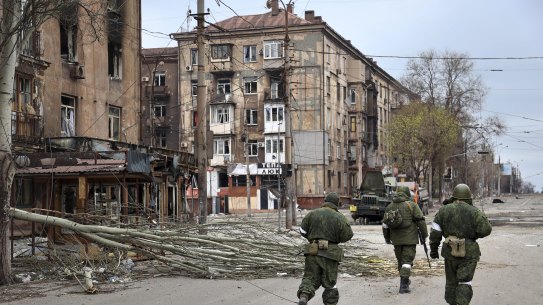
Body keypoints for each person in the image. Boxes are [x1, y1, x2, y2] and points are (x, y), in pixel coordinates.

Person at [429, 183, 492, 305]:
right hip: (469, 253)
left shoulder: (443, 211)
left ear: (454, 196)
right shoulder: (474, 212)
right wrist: (473, 236)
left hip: (450, 252)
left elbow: (435, 233)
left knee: (451, 282)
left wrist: (434, 250)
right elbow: (486, 229)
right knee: (465, 282)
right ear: (469, 197)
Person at [297, 192, 353, 305]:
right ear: (336, 204)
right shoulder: (340, 217)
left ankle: (304, 296)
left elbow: (302, 231)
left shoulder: (312, 214)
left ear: (325, 201)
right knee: (330, 283)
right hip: (330, 253)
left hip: (313, 251)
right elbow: (348, 235)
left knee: (310, 277)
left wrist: (312, 238)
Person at [382, 185, 428, 293]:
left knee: (401, 261)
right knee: (407, 261)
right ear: (407, 194)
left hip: (396, 240)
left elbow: (385, 226)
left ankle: (405, 280)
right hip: (410, 239)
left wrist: (387, 239)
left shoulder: (389, 207)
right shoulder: (411, 205)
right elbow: (421, 221)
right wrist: (424, 236)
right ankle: (404, 286)